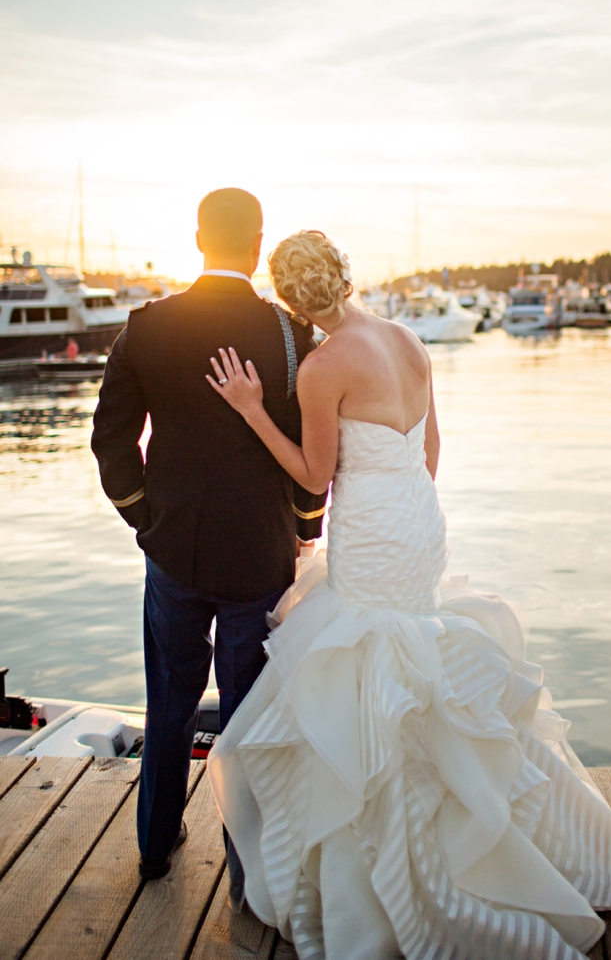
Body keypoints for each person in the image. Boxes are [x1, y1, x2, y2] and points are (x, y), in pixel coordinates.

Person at [206, 230, 611, 960]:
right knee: (418, 656)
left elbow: (313, 477)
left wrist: (251, 407)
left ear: (291, 301)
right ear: (345, 276)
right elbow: (431, 453)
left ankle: (403, 863)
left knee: (370, 668)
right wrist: (398, 492)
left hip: (374, 528)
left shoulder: (322, 368)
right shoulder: (407, 337)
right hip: (418, 519)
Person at [91, 189, 327, 884]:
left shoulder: (145, 325)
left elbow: (110, 439)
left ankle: (154, 845)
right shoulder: (289, 335)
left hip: (175, 552)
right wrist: (304, 531)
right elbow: (316, 456)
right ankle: (248, 869)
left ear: (198, 238)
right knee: (249, 715)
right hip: (261, 553)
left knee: (169, 701)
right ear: (258, 243)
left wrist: (145, 519)